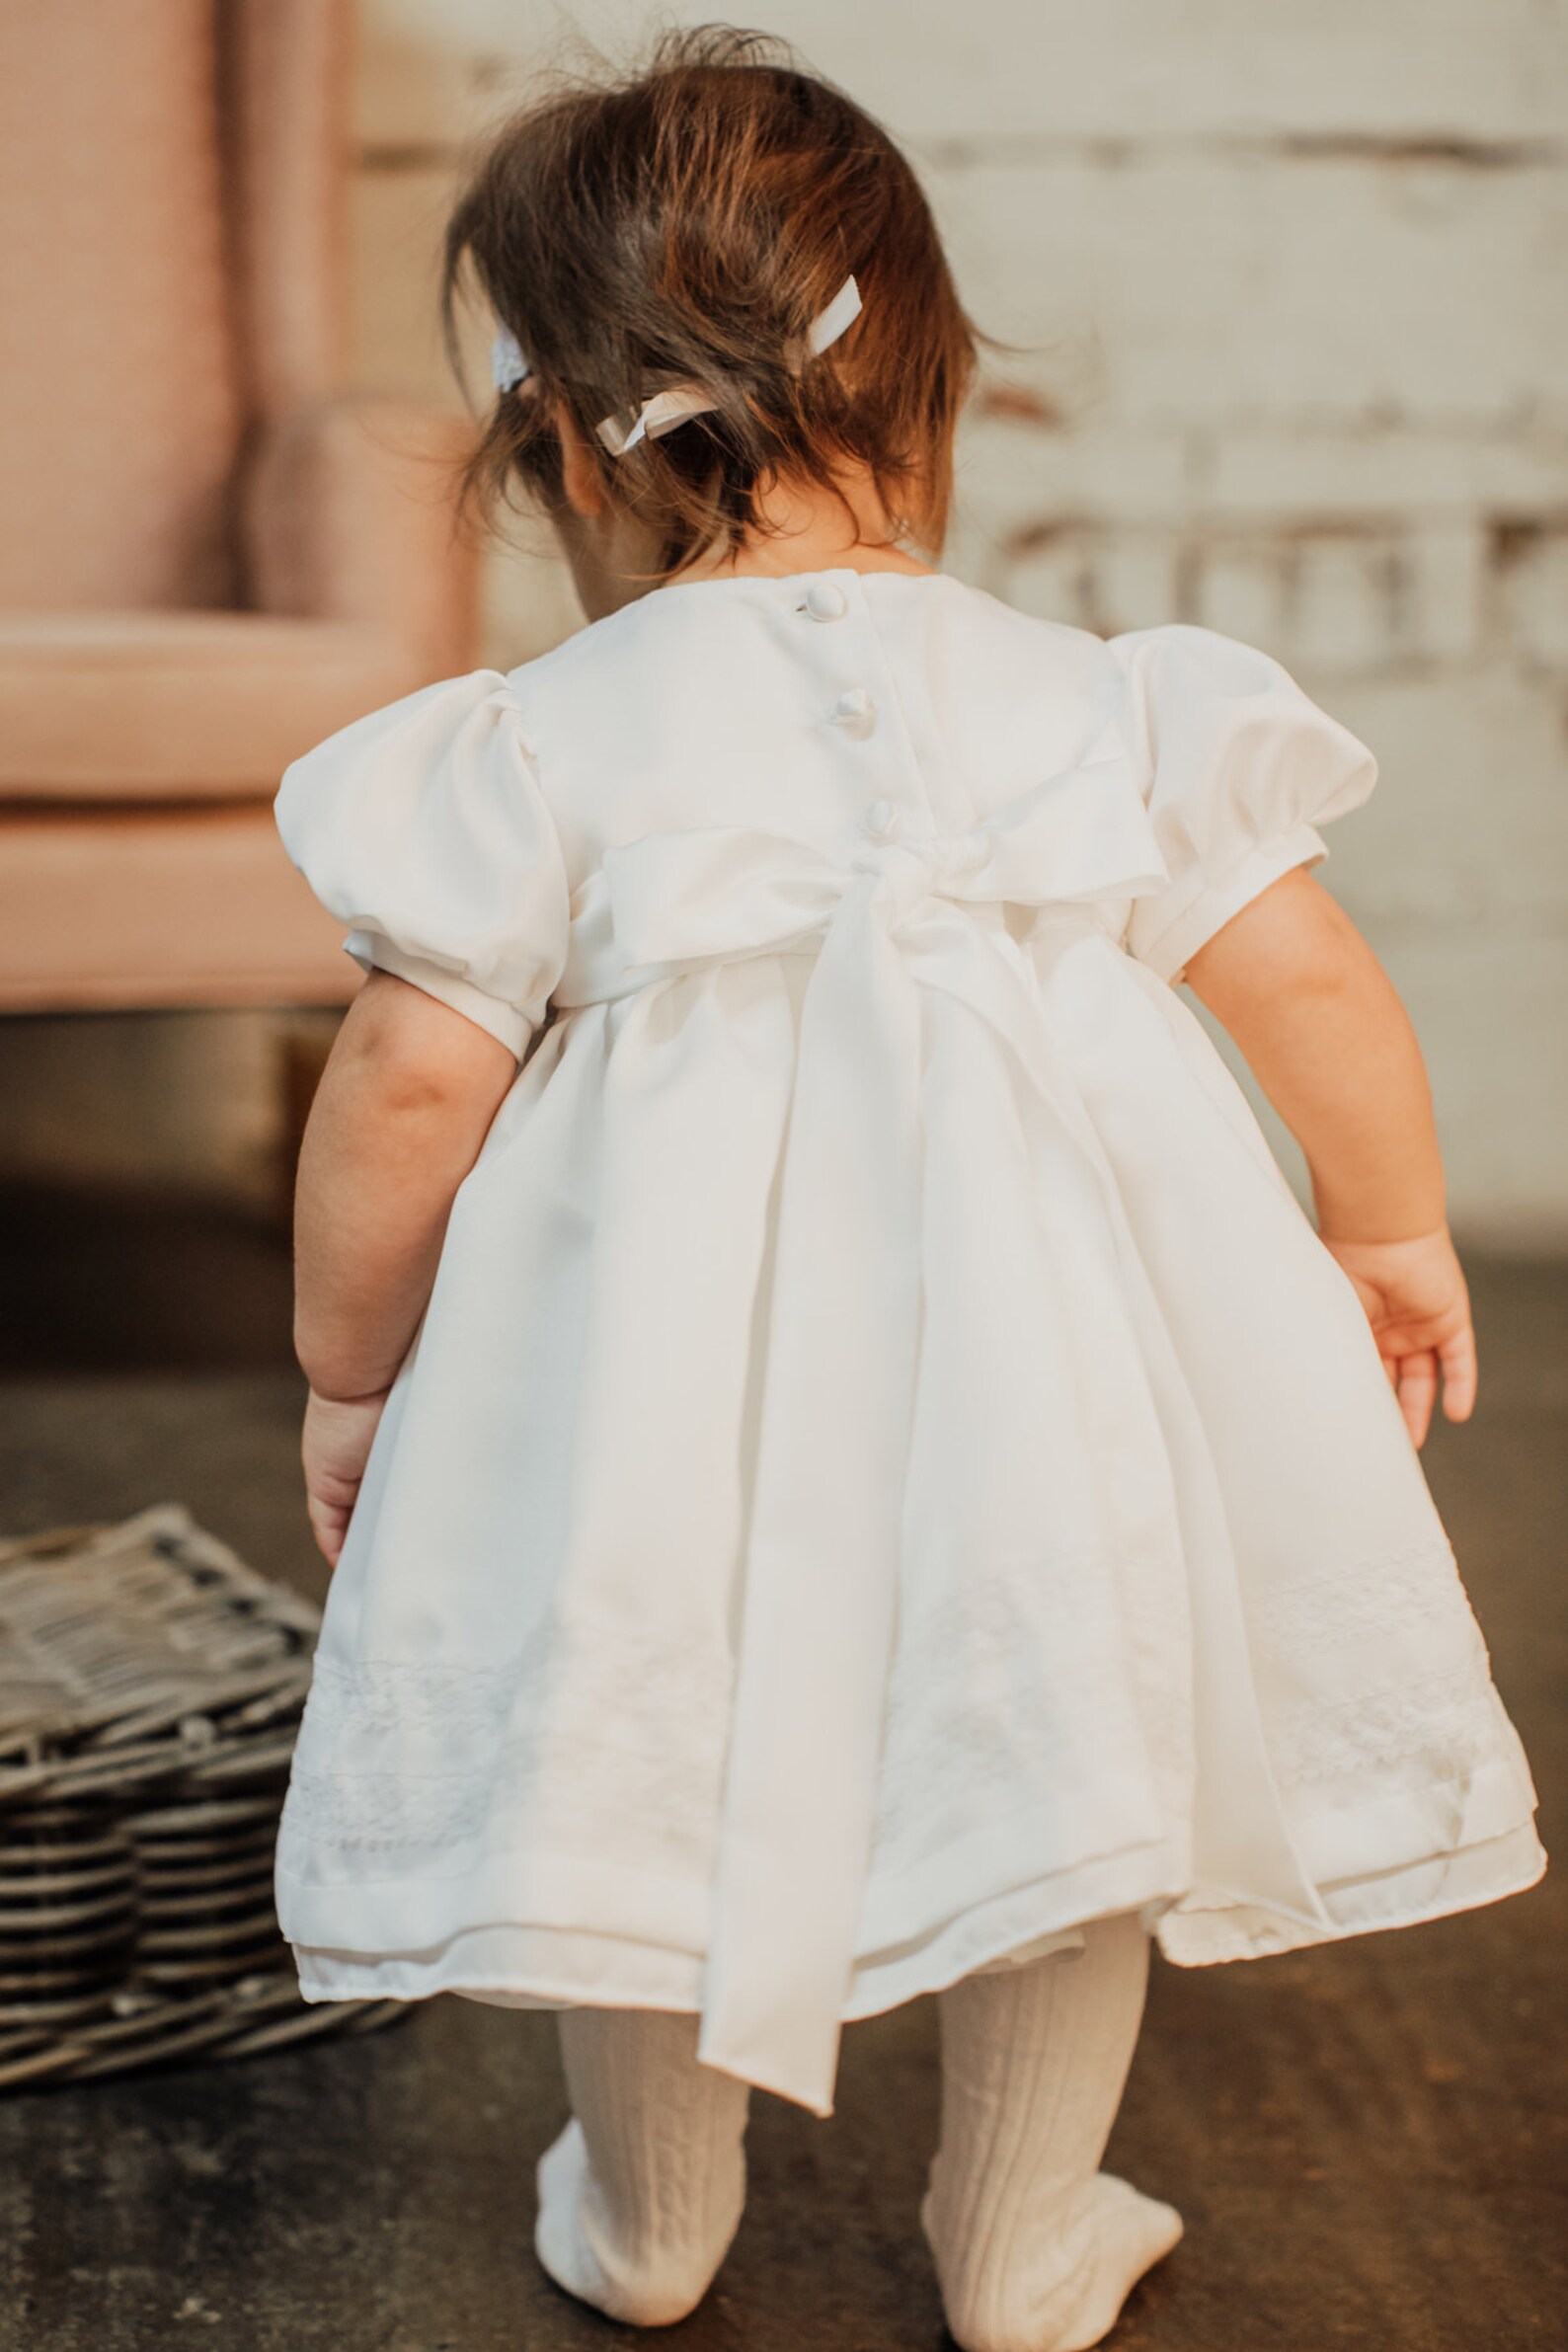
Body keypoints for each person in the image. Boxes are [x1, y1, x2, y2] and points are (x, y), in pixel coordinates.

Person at [270, 30, 1545, 2351]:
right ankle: (1016, 2233)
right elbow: (1310, 980)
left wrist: (352, 1374)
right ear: (929, 382)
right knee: (1070, 1730)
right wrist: (1379, 1230)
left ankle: (647, 2216)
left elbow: (399, 1088)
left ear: (566, 447)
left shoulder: (545, 740)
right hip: (1048, 1362)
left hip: (666, 1385)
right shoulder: (1104, 702)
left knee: (650, 1749)